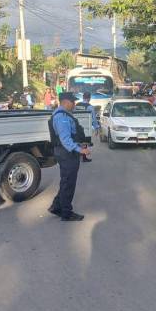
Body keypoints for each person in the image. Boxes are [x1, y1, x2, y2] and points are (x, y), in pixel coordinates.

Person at [48, 92, 91, 221]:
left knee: (65, 181)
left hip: (65, 152)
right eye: (73, 102)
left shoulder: (62, 114)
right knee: (68, 184)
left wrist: (79, 144)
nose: (74, 104)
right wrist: (81, 150)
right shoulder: (62, 117)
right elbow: (65, 140)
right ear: (66, 102)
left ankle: (56, 206)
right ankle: (66, 213)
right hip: (67, 153)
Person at [76, 92, 99, 163]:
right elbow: (94, 118)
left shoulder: (77, 105)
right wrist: (96, 128)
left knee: (77, 141)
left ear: (83, 97)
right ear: (89, 98)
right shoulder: (90, 107)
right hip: (85, 127)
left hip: (76, 126)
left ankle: (78, 155)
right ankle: (84, 157)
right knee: (84, 142)